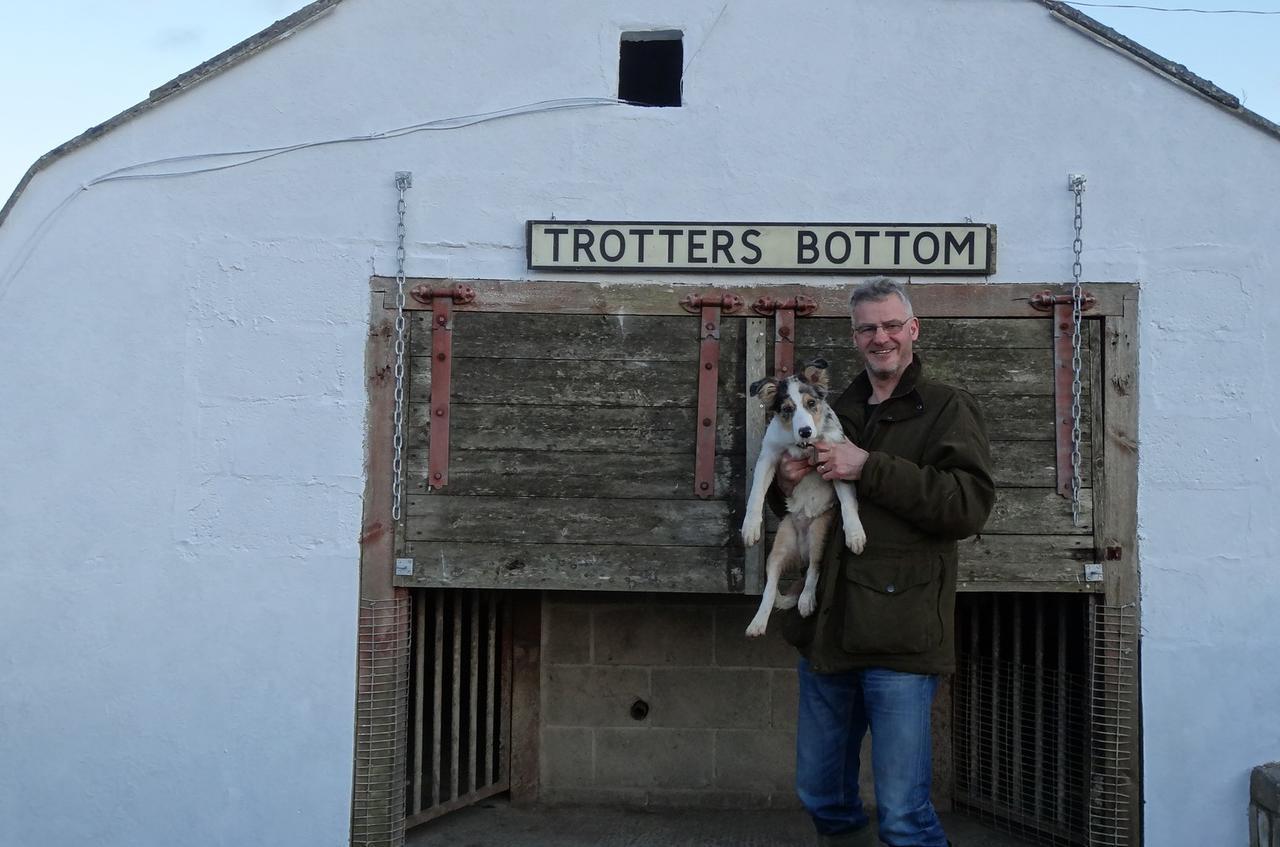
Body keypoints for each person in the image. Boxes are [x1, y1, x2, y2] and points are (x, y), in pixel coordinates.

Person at [772, 277, 995, 847]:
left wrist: (868, 467)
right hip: (828, 627)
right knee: (821, 795)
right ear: (855, 338)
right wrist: (784, 483)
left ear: (913, 329)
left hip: (901, 631)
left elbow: (967, 506)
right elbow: (801, 509)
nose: (881, 337)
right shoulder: (830, 407)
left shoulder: (946, 406)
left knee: (904, 816)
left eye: (892, 325)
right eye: (868, 328)